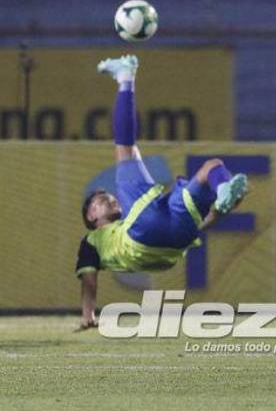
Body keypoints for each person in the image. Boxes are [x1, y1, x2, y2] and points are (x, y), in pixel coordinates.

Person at [75, 55, 249, 331]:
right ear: (91, 216)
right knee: (124, 148)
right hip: (141, 234)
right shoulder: (92, 241)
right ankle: (125, 77)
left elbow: (200, 227)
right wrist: (88, 314)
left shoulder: (128, 210)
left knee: (211, 167)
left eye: (104, 195)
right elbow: (89, 279)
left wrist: (217, 214)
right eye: (98, 200)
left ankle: (224, 192)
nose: (107, 197)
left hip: (175, 238)